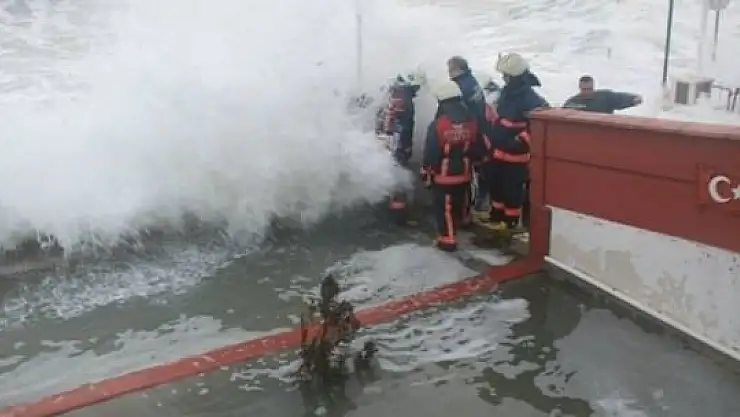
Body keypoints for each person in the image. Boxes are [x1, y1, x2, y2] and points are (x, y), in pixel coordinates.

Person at [483, 52, 549, 232]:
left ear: (515, 77)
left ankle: (510, 223)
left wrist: (520, 141)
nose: (503, 78)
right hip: (499, 149)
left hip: (515, 154)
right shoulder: (508, 92)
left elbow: (538, 126)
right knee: (496, 184)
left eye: (506, 75)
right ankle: (496, 216)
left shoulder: (531, 99)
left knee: (512, 189)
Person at [420, 80, 485, 252]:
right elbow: (478, 145)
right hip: (465, 172)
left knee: (444, 207)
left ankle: (447, 239)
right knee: (461, 199)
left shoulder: (438, 125)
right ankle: (465, 220)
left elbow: (431, 152)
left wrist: (425, 171)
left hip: (444, 175)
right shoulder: (472, 120)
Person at [376, 70, 427, 223]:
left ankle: (384, 207)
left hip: (383, 139)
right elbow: (404, 127)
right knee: (399, 177)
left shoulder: (389, 93)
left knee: (388, 173)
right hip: (396, 143)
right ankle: (398, 216)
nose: (417, 91)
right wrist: (406, 147)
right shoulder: (405, 99)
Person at [471, 72, 500, 214]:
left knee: (484, 177)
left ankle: (482, 203)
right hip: (490, 147)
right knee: (484, 176)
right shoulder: (490, 105)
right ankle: (482, 202)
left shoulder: (486, 107)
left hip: (487, 147)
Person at [563, 75, 642, 114]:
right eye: (584, 89)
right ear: (579, 88)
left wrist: (634, 100)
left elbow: (621, 99)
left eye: (589, 89)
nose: (587, 92)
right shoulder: (573, 103)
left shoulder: (605, 97)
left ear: (593, 87)